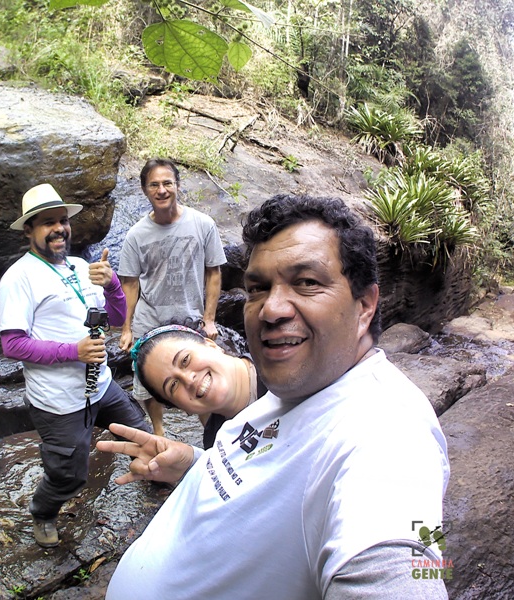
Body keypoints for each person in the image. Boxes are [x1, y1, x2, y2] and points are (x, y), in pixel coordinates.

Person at [98, 194, 450, 599]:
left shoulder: (389, 432)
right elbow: (270, 486)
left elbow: (396, 569)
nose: (272, 309)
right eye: (258, 288)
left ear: (365, 304)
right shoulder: (297, 386)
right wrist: (194, 464)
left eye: (307, 282)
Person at [0, 183, 150, 549]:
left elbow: (114, 319)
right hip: (59, 400)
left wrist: (113, 285)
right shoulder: (19, 278)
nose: (59, 229)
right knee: (69, 475)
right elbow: (11, 344)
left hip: (100, 384)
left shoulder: (83, 267)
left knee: (140, 433)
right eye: (48, 222)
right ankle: (43, 512)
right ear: (30, 230)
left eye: (63, 220)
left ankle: (161, 480)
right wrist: (73, 351)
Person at [118, 158, 227, 437]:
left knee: (200, 377)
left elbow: (213, 273)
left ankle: (212, 436)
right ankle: (159, 432)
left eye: (167, 183)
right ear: (145, 190)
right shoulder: (136, 235)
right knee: (147, 382)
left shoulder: (203, 224)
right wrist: (127, 328)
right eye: (154, 185)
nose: (162, 190)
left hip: (190, 320)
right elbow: (129, 285)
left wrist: (210, 319)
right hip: (149, 321)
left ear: (178, 185)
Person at [130, 323, 266, 449]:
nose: (189, 380)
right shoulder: (216, 444)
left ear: (212, 345)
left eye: (185, 360)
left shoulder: (281, 377)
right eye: (173, 385)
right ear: (183, 408)